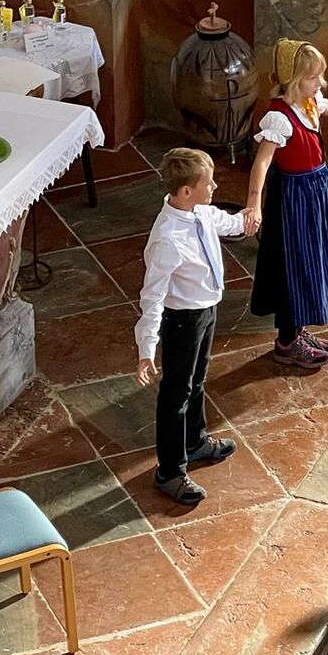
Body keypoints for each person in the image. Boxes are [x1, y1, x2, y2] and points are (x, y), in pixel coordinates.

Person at [136, 148, 256, 507]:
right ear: (186, 190)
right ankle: (170, 471)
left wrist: (250, 217)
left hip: (205, 311)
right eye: (209, 183)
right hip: (183, 320)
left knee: (197, 379)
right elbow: (152, 296)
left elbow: (227, 222)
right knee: (176, 393)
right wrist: (146, 349)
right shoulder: (167, 239)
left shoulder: (200, 212)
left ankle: (195, 440)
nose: (215, 187)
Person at [243, 41, 328, 371]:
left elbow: (327, 106)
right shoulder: (279, 118)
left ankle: (298, 332)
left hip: (316, 191)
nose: (320, 83)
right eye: (312, 78)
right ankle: (286, 341)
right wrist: (254, 203)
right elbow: (262, 162)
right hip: (294, 199)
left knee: (313, 259)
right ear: (292, 80)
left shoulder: (310, 103)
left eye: (320, 76)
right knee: (294, 264)